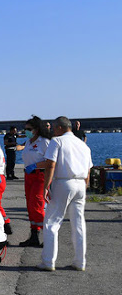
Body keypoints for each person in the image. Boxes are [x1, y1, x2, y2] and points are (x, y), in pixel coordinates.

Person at [38, 116, 93, 271]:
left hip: (63, 182)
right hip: (81, 183)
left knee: (51, 223)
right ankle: (80, 261)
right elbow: (88, 170)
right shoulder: (83, 145)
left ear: (60, 128)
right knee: (79, 224)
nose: (53, 130)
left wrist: (46, 186)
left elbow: (50, 165)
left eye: (55, 128)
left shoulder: (57, 141)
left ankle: (48, 261)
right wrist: (85, 187)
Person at [17, 116, 53, 247]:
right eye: (25, 129)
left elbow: (51, 161)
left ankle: (49, 236)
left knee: (37, 206)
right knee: (30, 207)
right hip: (29, 176)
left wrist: (36, 166)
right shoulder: (28, 142)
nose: (26, 131)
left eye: (29, 129)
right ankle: (34, 235)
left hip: (40, 176)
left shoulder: (45, 142)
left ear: (36, 130)